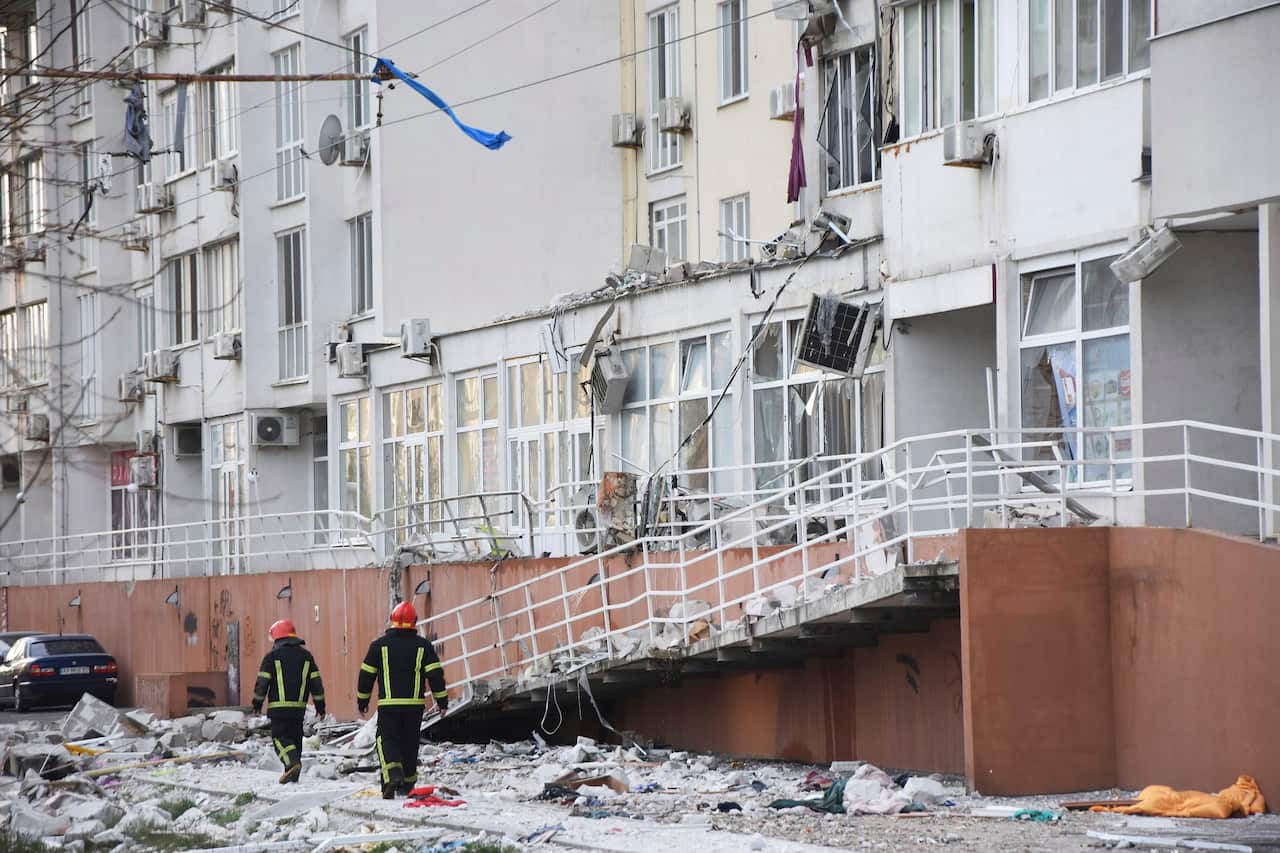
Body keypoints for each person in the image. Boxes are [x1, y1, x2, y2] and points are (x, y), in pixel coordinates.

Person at [356, 601, 449, 799]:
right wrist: (442, 703)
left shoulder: (379, 646)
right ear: (414, 622)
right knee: (409, 743)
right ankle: (407, 785)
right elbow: (435, 676)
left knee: (386, 739)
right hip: (414, 707)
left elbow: (366, 675)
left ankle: (392, 775)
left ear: (392, 621)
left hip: (389, 705)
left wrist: (362, 701)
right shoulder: (423, 647)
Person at [251, 619, 326, 784]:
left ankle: (292, 763)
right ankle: (292, 774)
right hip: (299, 710)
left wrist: (257, 703)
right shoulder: (307, 657)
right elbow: (316, 684)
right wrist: (321, 706)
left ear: (277, 638)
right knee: (295, 738)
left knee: (280, 738)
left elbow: (262, 682)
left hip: (279, 708)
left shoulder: (272, 657)